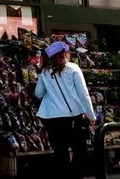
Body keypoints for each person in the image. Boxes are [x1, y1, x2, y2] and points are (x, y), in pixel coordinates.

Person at [34, 41, 96, 179]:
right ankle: (75, 175)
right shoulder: (73, 69)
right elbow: (83, 94)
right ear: (65, 53)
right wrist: (91, 115)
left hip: (51, 117)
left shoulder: (45, 72)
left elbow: (38, 93)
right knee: (79, 149)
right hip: (72, 116)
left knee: (60, 151)